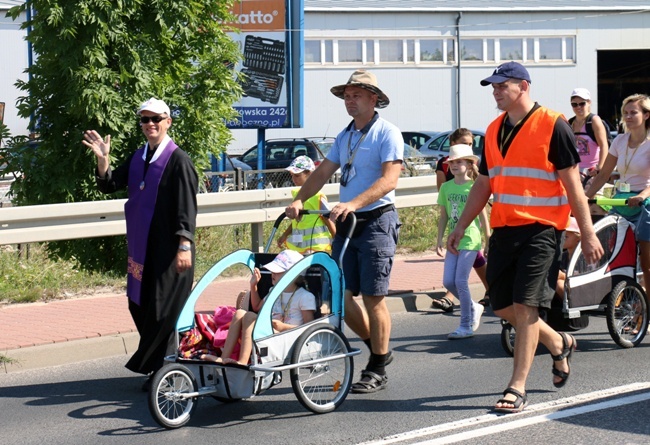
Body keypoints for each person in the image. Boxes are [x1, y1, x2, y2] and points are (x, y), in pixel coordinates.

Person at [447, 62, 603, 413]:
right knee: (501, 305)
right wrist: (460, 226)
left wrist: (588, 231)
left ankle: (517, 386)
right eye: (493, 87)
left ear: (523, 86)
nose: (495, 91)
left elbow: (573, 185)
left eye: (502, 86)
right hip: (504, 229)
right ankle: (558, 342)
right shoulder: (491, 130)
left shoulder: (553, 124)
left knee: (525, 306)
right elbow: (483, 185)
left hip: (542, 230)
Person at [285, 69, 403, 393]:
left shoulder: (387, 133)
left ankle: (377, 367)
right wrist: (299, 199)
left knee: (374, 297)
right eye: (346, 96)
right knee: (341, 293)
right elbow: (322, 172)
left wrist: (352, 202)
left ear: (373, 99)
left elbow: (389, 180)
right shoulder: (345, 135)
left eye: (356, 96)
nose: (349, 102)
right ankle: (379, 350)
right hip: (348, 222)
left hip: (377, 219)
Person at [83, 97, 199, 390]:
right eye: (144, 120)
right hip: (141, 248)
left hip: (171, 251)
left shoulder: (178, 160)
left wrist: (185, 245)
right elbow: (109, 183)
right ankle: (162, 366)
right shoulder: (138, 157)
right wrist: (103, 158)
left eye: (155, 119)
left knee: (162, 310)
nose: (149, 125)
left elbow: (187, 208)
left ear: (167, 122)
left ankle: (163, 369)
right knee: (139, 305)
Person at [202, 249, 316, 365]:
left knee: (250, 316)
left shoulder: (305, 296)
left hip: (288, 337)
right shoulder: (274, 291)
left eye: (277, 271)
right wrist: (253, 285)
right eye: (272, 271)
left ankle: (242, 361)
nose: (272, 274)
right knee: (240, 312)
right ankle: (224, 357)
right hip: (271, 331)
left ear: (293, 275)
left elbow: (309, 328)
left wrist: (281, 326)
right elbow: (256, 307)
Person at [585, 93, 650, 288]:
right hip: (622, 201)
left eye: (633, 113)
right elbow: (604, 174)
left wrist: (642, 195)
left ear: (646, 115)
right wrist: (584, 197)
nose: (628, 117)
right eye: (626, 113)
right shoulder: (620, 141)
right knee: (612, 250)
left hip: (644, 201)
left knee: (647, 263)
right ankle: (622, 296)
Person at [435, 144, 490, 339]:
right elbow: (443, 216)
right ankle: (473, 306)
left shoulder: (474, 187)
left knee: (460, 280)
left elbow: (483, 216)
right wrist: (439, 239)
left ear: (469, 164)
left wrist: (487, 239)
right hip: (453, 239)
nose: (455, 165)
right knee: (448, 281)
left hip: (471, 238)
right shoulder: (445, 187)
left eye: (459, 162)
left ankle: (466, 324)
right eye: (452, 162)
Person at [278, 155, 336, 253]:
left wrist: (337, 239)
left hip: (316, 248)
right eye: (291, 175)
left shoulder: (318, 197)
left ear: (309, 174)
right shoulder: (296, 195)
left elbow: (328, 219)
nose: (293, 179)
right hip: (300, 248)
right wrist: (285, 235)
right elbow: (297, 221)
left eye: (297, 175)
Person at [568, 88, 610, 173]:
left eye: (582, 104)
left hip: (591, 170)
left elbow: (604, 145)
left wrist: (599, 168)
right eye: (574, 104)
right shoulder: (570, 122)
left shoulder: (594, 120)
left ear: (589, 102)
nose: (578, 107)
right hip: (575, 170)